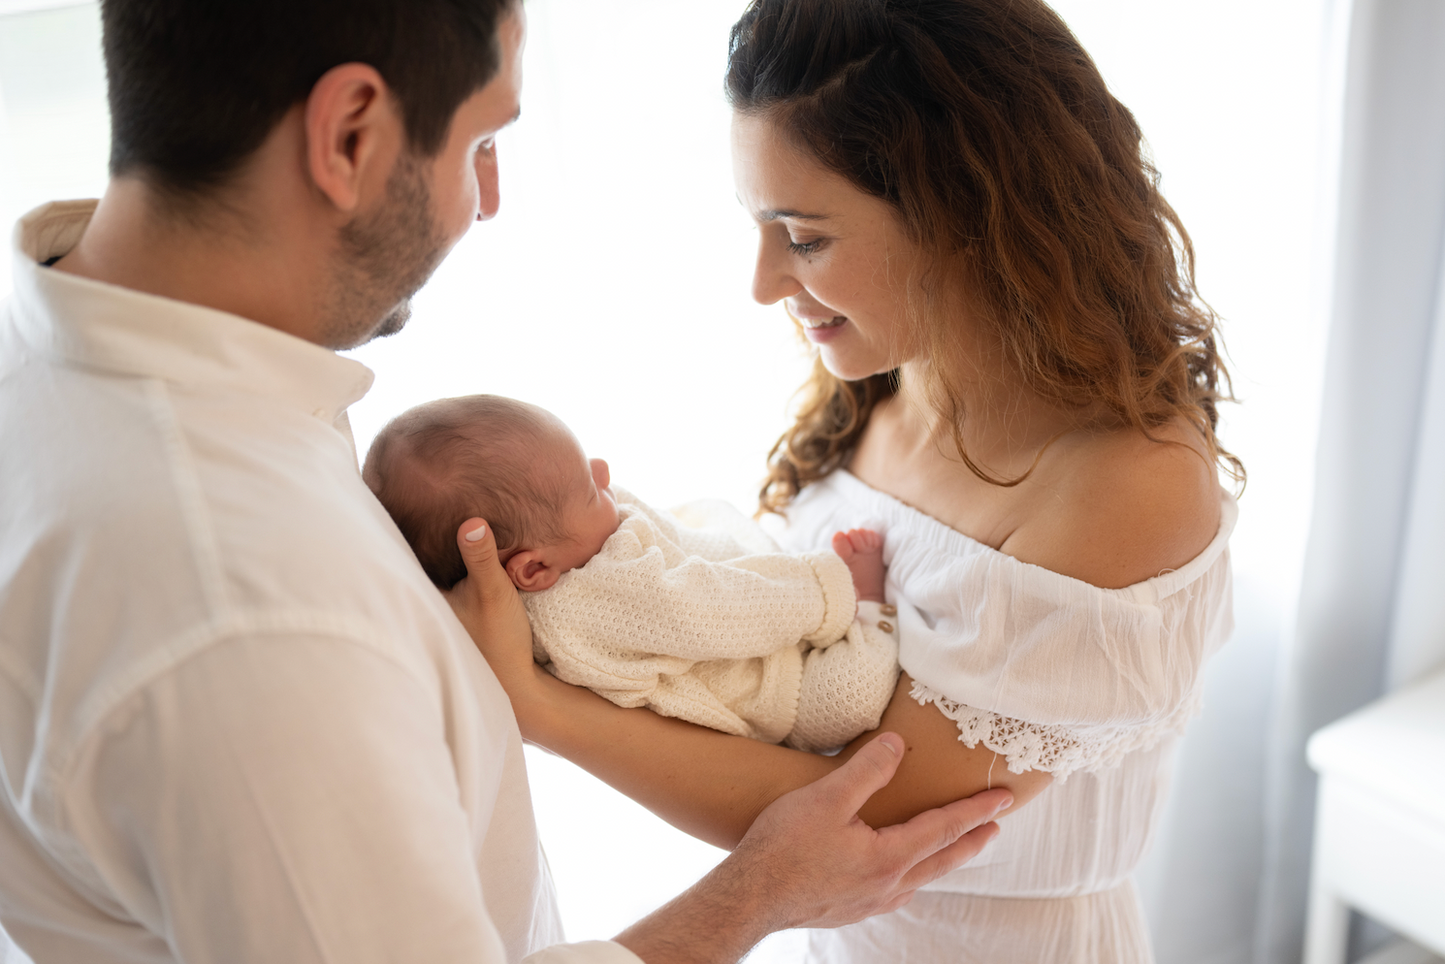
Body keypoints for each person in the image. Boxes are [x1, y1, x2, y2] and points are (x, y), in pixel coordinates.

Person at [0, 0, 1017, 962]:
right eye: (483, 146)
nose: (489, 202)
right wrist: (753, 894)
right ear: (350, 134)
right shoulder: (255, 618)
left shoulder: (56, 369)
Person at [445, 0, 1241, 961]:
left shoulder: (1127, 483)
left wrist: (542, 709)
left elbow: (854, 819)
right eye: (760, 226)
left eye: (805, 237)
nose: (762, 282)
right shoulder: (888, 374)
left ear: (967, 211)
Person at [363, 393, 901, 752]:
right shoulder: (579, 604)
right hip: (780, 691)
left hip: (757, 632)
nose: (604, 474)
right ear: (532, 569)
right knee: (852, 701)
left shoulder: (570, 556)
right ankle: (872, 604)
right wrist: (829, 591)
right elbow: (707, 613)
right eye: (586, 488)